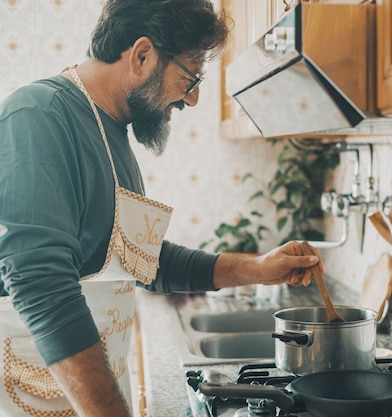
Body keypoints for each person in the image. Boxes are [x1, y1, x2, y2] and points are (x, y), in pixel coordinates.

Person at [0, 1, 323, 416]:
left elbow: (146, 263)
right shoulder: (39, 116)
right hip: (32, 395)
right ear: (141, 55)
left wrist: (256, 268)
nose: (193, 98)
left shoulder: (113, 131)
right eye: (190, 76)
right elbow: (41, 285)